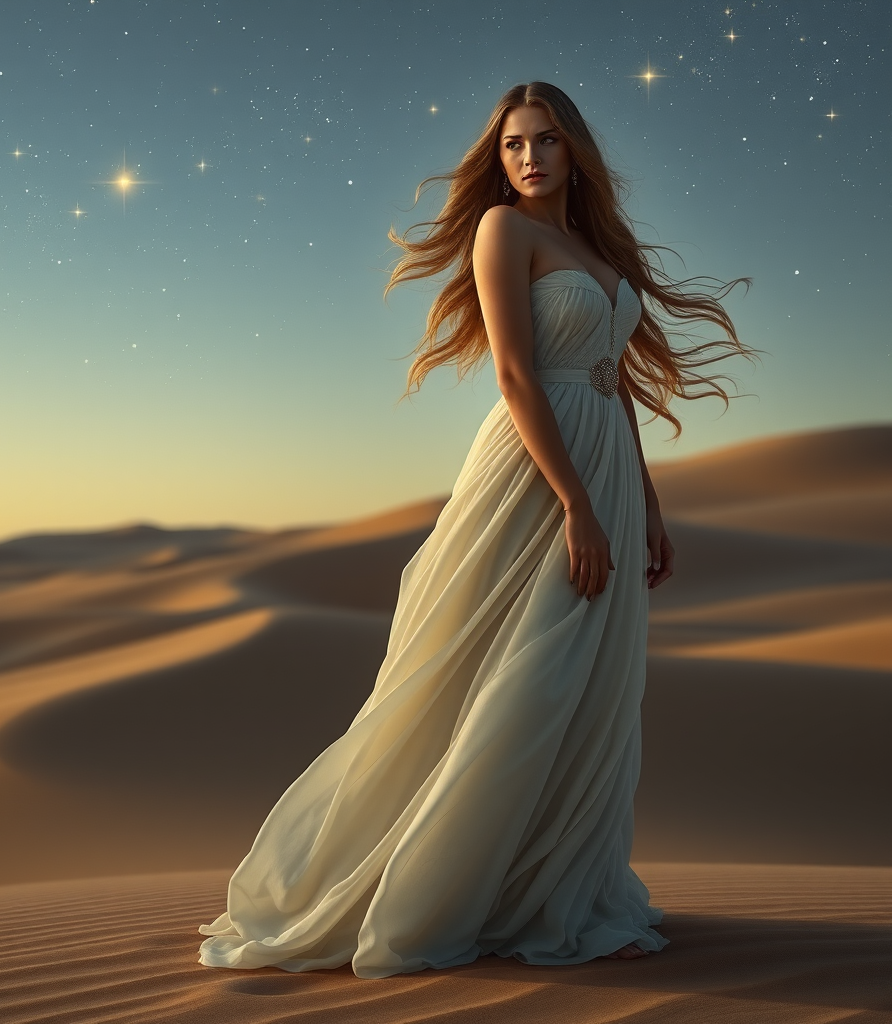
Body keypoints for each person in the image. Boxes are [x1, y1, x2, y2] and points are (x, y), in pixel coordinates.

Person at [197, 81, 753, 977]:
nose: (529, 158)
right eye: (512, 145)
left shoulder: (596, 247)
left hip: (604, 460)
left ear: (576, 150)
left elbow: (614, 380)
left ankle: (540, 881)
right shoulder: (505, 233)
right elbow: (516, 375)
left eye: (545, 141)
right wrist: (575, 501)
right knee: (511, 675)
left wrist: (642, 500)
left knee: (586, 682)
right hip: (537, 471)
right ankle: (434, 884)